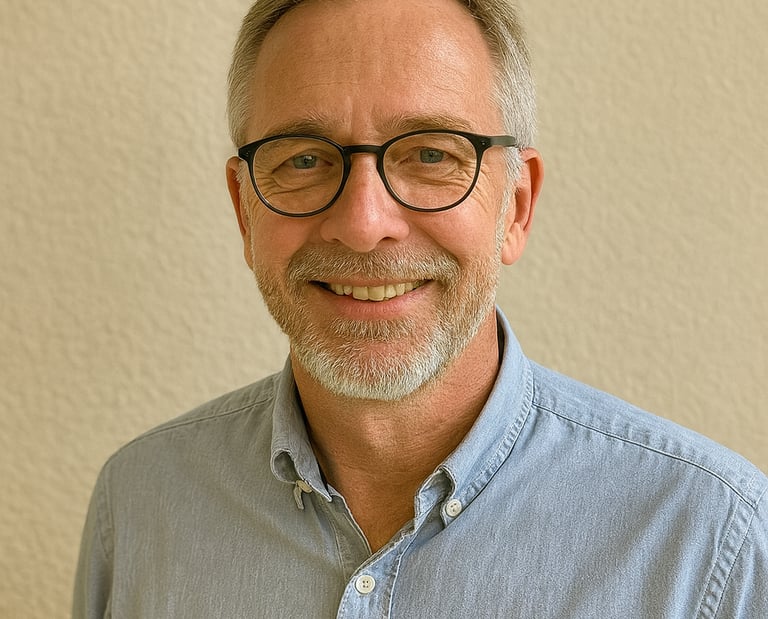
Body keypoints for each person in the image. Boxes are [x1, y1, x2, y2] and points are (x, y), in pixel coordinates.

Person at [73, 0, 767, 616]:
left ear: (516, 206)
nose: (364, 222)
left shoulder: (710, 541)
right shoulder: (138, 507)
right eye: (305, 159)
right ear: (243, 210)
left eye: (432, 152)